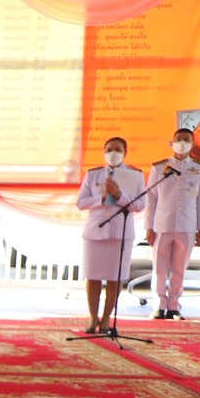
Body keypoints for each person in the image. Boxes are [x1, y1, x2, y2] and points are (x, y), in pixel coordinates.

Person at [76, 137, 144, 335]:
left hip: (119, 233)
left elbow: (139, 205)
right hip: (95, 232)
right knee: (93, 276)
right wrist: (103, 197)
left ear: (125, 152)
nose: (113, 153)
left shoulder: (135, 175)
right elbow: (81, 202)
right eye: (109, 149)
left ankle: (106, 318)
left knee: (115, 278)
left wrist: (120, 194)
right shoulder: (93, 174)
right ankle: (92, 317)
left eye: (117, 149)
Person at [146, 127, 200, 320]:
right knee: (159, 267)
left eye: (186, 139)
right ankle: (159, 304)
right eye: (179, 139)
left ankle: (174, 305)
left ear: (192, 144)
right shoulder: (159, 167)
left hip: (187, 224)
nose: (182, 142)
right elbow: (150, 199)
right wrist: (148, 227)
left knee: (179, 267)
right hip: (162, 224)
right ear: (171, 142)